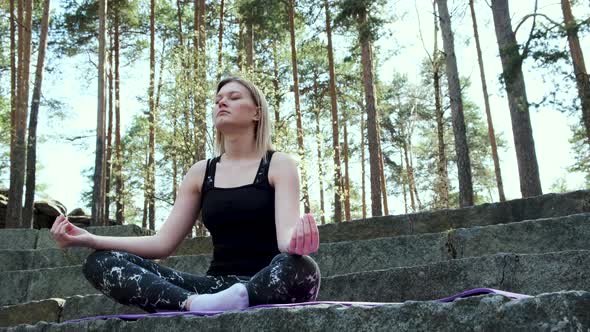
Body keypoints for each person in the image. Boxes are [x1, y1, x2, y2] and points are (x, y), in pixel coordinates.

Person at [50, 76, 321, 313]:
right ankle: (193, 304)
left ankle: (240, 299)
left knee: (302, 268)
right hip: (212, 289)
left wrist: (297, 244)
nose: (221, 103)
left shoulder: (279, 164)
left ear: (257, 113)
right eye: (218, 100)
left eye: (234, 97)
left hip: (266, 279)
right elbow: (162, 244)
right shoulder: (201, 172)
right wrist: (91, 239)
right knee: (102, 261)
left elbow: (286, 240)